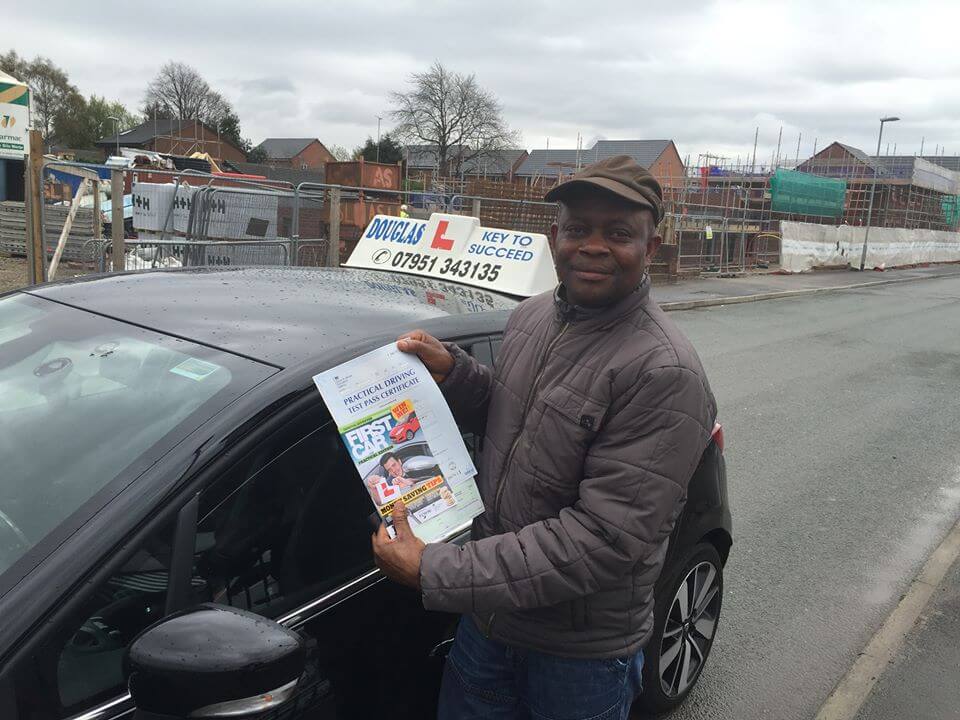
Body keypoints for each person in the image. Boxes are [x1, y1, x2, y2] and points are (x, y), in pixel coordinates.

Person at [372, 155, 717, 720]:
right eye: (579, 229)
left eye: (619, 233)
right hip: (489, 624)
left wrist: (438, 571)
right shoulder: (530, 318)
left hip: (576, 659)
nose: (594, 246)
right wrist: (456, 376)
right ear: (553, 238)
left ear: (650, 249)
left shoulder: (663, 371)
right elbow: (520, 418)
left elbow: (603, 539)